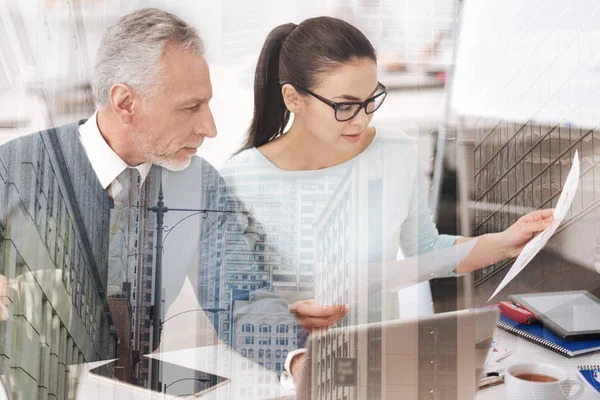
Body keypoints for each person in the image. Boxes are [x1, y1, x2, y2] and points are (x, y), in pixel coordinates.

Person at [220, 16, 554, 394]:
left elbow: (426, 249)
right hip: (286, 379)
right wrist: (280, 320)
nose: (361, 119)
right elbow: (234, 303)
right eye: (344, 105)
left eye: (370, 100)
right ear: (293, 98)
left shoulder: (394, 152)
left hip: (379, 371)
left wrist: (506, 241)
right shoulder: (238, 179)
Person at [0, 8, 222, 398]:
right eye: (190, 107)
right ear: (125, 103)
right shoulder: (14, 168)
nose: (211, 127)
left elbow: (245, 290)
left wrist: (297, 356)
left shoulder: (200, 182)